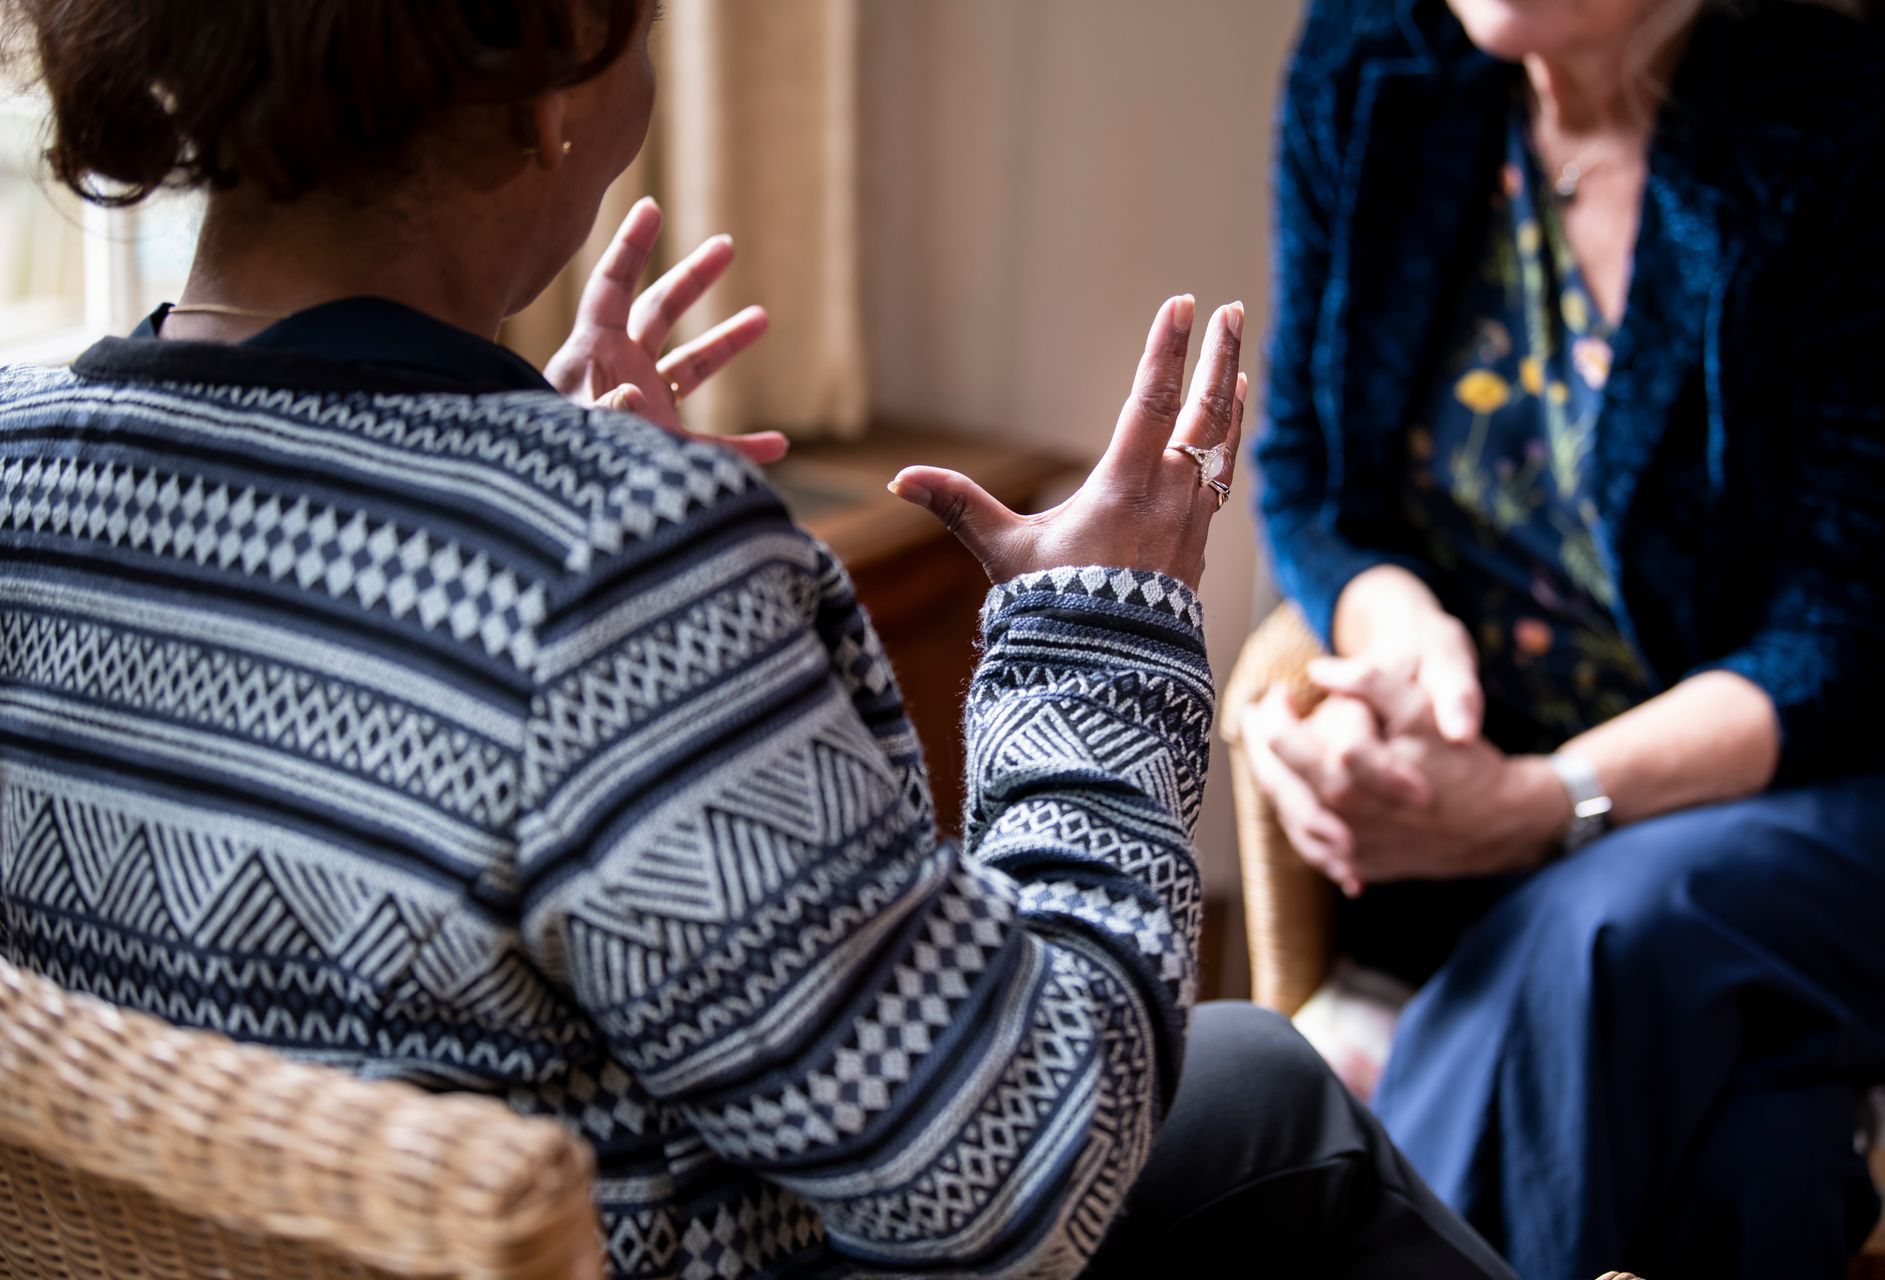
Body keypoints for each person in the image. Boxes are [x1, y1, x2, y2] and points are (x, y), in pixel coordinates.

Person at [0, 1, 1520, 1276]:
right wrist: (1097, 630)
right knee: (1257, 1085)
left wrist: (533, 471)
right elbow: (1009, 1176)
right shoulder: (598, 573)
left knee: (1251, 1087)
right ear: (550, 89)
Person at [1243, 0, 1885, 1275]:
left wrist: (1540, 803)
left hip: (1846, 802)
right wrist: (1398, 640)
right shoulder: (1374, 56)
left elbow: (1850, 631)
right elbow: (1316, 481)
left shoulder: (1866, 116)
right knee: (1757, 1158)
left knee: (1599, 931)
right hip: (1539, 840)